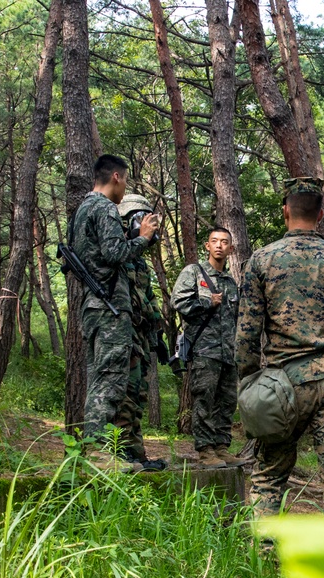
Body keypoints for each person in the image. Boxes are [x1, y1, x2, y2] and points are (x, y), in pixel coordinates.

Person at [237, 177, 324, 516]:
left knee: (269, 474)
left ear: (285, 211)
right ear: (323, 215)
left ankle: (263, 556)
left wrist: (252, 383)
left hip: (283, 384)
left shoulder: (262, 261)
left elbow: (246, 335)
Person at [68, 155, 159, 463]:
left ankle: (98, 450)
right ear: (116, 177)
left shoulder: (81, 210)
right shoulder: (105, 207)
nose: (124, 191)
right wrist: (143, 239)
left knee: (99, 377)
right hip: (109, 307)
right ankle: (96, 453)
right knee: (110, 380)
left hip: (93, 306)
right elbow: (114, 252)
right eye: (126, 181)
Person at [172, 228, 244, 469]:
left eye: (225, 242)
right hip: (204, 350)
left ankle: (222, 447)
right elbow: (178, 302)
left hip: (228, 353)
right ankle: (205, 450)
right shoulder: (194, 272)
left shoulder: (231, 282)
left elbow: (236, 318)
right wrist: (206, 301)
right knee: (204, 399)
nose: (219, 246)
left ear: (231, 249)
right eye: (214, 241)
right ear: (207, 246)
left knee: (226, 401)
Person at [113, 194, 168, 471]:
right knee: (123, 395)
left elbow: (148, 297)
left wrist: (159, 335)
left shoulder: (140, 262)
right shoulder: (119, 253)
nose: (151, 226)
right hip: (123, 335)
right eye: (144, 219)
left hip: (142, 337)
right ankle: (121, 454)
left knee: (137, 396)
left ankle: (135, 454)